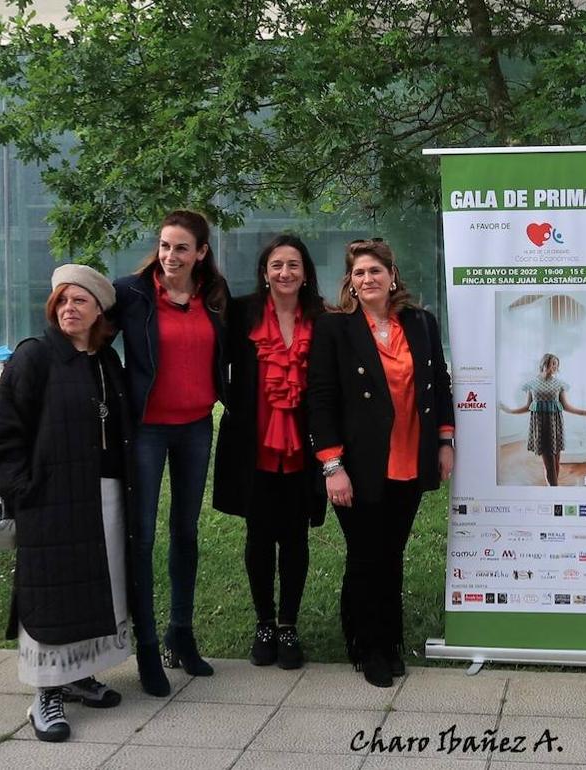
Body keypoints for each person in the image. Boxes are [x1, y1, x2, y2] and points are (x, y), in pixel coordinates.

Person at [0, 264, 133, 743]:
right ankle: (46, 694)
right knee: (52, 594)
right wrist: (26, 491)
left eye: (80, 301)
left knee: (99, 587)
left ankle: (80, 676)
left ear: (99, 310)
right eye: (62, 300)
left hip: (103, 496)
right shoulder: (35, 358)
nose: (69, 309)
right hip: (52, 502)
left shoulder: (105, 361)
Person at [306, 238, 455, 688]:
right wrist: (332, 466)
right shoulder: (335, 329)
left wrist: (445, 441)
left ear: (393, 276)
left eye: (375, 271)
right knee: (367, 553)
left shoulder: (421, 323)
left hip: (411, 458)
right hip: (358, 465)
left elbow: (440, 383)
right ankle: (368, 646)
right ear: (349, 283)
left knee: (391, 553)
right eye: (358, 273)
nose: (367, 279)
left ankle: (389, 640)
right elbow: (321, 398)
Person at [111, 210, 228, 696]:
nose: (170, 256)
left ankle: (181, 634)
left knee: (185, 531)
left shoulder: (215, 299)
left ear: (201, 252)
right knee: (141, 538)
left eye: (182, 247)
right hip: (146, 431)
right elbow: (89, 333)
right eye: (164, 245)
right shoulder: (132, 292)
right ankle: (145, 647)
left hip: (197, 428)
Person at [213, 234, 327, 670]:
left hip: (303, 446)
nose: (285, 272)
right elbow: (213, 358)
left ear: (305, 273)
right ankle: (263, 622)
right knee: (259, 535)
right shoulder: (240, 312)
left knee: (295, 537)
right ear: (265, 272)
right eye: (277, 265)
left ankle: (288, 624)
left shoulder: (322, 317)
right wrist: (232, 404)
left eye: (293, 265)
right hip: (253, 444)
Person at [500, 353, 586, 486]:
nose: (554, 366)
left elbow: (566, 406)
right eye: (552, 363)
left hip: (555, 425)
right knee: (550, 464)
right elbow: (527, 407)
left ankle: (552, 490)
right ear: (544, 363)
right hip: (540, 426)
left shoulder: (559, 384)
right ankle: (554, 490)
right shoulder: (532, 384)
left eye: (556, 364)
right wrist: (508, 410)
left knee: (556, 463)